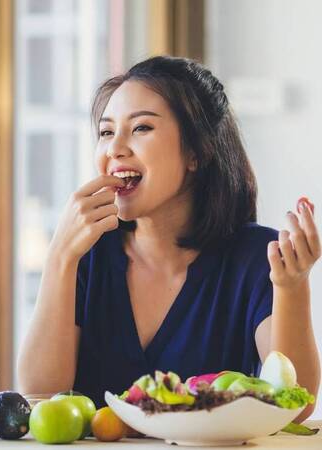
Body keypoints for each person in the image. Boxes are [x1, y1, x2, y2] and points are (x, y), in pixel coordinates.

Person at [17, 56, 320, 422]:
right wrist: (59, 257)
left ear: (196, 152)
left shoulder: (256, 257)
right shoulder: (87, 254)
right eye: (106, 132)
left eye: (141, 128)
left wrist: (292, 286)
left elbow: (295, 407)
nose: (115, 148)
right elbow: (39, 396)